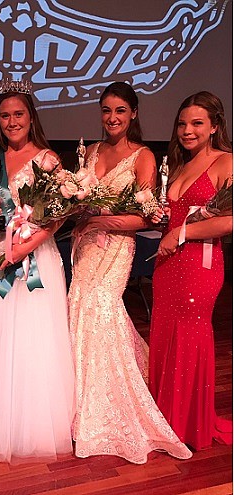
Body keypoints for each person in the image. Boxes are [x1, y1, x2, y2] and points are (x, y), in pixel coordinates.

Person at [68, 81, 192, 463]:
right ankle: (78, 403)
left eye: (120, 110)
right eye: (107, 110)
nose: (112, 118)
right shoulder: (89, 152)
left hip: (117, 247)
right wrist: (76, 211)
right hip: (86, 245)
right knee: (77, 308)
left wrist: (100, 221)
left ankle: (106, 408)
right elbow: (78, 202)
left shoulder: (143, 157)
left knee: (99, 310)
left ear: (133, 114)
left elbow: (143, 217)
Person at [0, 79, 75, 463]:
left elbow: (57, 218)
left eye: (18, 114)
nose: (12, 121)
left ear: (31, 117)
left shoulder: (49, 160)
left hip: (33, 259)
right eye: (5, 115)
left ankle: (31, 425)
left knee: (32, 340)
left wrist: (21, 247)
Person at [149, 91, 233, 450]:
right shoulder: (181, 164)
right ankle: (163, 418)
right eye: (182, 123)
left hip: (199, 266)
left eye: (197, 123)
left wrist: (180, 233)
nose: (187, 130)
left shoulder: (226, 162)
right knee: (166, 335)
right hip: (168, 266)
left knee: (190, 336)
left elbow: (229, 222)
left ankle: (187, 424)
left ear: (214, 126)